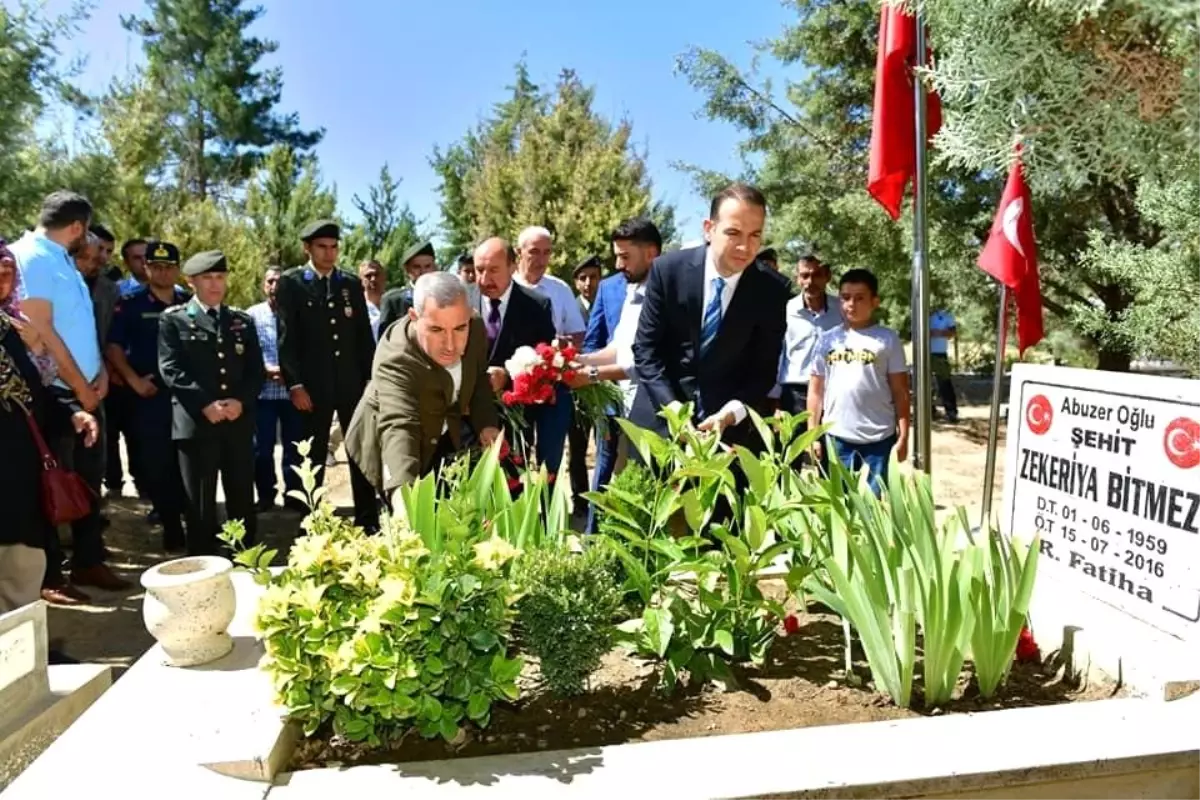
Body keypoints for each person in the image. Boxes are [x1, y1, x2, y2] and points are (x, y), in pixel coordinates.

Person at [11, 191, 129, 597]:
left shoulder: (62, 260)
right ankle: (50, 577)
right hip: (57, 392)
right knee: (52, 484)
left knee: (87, 482)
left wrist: (99, 377)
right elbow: (43, 329)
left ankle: (88, 560)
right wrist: (80, 386)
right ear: (78, 228)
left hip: (88, 389)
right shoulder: (32, 257)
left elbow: (80, 326)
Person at [630, 183, 789, 451]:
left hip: (727, 437)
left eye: (755, 235)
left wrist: (731, 413)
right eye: (733, 233)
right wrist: (674, 410)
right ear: (709, 229)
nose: (744, 246)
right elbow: (646, 351)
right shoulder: (668, 271)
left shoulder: (773, 290)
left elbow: (763, 371)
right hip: (660, 425)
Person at [0, 237, 99, 614]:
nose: (4, 272)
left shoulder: (12, 329)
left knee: (22, 573)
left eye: (7, 265)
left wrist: (72, 412)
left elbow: (32, 394)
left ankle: (26, 664)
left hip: (21, 480)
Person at [346, 272, 500, 509]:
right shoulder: (395, 357)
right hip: (393, 442)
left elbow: (477, 378)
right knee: (406, 516)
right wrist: (403, 498)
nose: (450, 344)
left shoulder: (476, 327)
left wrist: (486, 423)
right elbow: (399, 425)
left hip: (446, 432)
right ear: (414, 317)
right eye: (436, 330)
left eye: (460, 328)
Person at [275, 220, 379, 530]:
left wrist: (368, 379)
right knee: (312, 456)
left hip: (350, 384)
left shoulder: (348, 283)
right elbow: (287, 339)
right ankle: (311, 519)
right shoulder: (292, 283)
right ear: (307, 248)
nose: (329, 253)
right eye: (322, 247)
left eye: (334, 247)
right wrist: (295, 383)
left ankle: (367, 518)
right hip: (313, 387)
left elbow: (362, 336)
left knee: (360, 450)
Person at [158, 251, 263, 555]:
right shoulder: (174, 320)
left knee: (242, 497)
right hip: (196, 424)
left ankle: (245, 559)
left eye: (220, 277)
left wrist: (240, 401)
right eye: (207, 278)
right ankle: (202, 564)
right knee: (200, 504)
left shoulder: (241, 321)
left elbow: (255, 371)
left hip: (237, 422)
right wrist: (205, 404)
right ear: (191, 282)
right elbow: (171, 368)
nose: (215, 285)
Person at [576, 217, 662, 532]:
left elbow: (646, 363)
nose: (618, 264)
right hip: (623, 405)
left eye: (625, 256)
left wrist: (593, 375)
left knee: (643, 490)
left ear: (651, 253)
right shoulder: (632, 291)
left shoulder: (666, 295)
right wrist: (576, 359)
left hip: (653, 411)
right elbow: (619, 348)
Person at [107, 240, 192, 550]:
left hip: (186, 396)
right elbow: (114, 347)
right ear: (146, 268)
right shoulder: (130, 303)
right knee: (157, 463)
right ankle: (171, 525)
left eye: (169, 267)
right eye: (156, 267)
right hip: (149, 396)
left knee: (188, 460)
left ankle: (191, 518)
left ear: (178, 269)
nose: (163, 272)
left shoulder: (189, 302)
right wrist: (133, 381)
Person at [807, 268, 911, 494]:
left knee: (873, 510)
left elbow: (900, 391)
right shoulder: (828, 340)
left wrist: (903, 435)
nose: (851, 304)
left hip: (879, 441)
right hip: (837, 440)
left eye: (859, 298)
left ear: (875, 301)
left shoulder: (887, 339)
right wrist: (812, 434)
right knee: (838, 509)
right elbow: (816, 391)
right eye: (845, 298)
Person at [474, 237, 563, 471]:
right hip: (468, 422)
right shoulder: (462, 300)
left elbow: (544, 364)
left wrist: (508, 377)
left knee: (512, 491)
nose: (484, 279)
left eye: (493, 270)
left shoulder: (537, 305)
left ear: (513, 266)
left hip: (515, 421)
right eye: (479, 270)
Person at [247, 267, 303, 512]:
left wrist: (291, 374)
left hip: (292, 394)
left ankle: (293, 495)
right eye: (270, 281)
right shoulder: (251, 316)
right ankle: (266, 495)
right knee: (262, 449)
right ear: (263, 285)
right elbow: (246, 354)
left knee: (294, 447)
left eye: (279, 282)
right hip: (262, 394)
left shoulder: (296, 313)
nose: (274, 286)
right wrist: (265, 371)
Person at [778, 252, 842, 417]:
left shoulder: (842, 310)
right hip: (795, 394)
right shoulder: (786, 310)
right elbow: (779, 354)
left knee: (831, 443)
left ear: (827, 276)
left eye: (817, 275)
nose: (810, 282)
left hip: (834, 392)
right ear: (797, 278)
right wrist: (775, 400)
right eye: (805, 276)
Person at [566, 254, 603, 502]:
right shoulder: (571, 308)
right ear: (576, 283)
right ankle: (580, 499)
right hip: (576, 390)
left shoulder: (609, 304)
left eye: (593, 277)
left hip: (602, 386)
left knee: (603, 447)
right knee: (577, 448)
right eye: (582, 278)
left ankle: (601, 499)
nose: (588, 283)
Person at [377, 240, 438, 335]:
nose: (423, 272)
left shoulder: (443, 297)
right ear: (407, 269)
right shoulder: (393, 300)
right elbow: (384, 340)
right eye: (417, 267)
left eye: (427, 266)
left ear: (434, 267)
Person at [930, 307, 959, 423]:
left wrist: (940, 333)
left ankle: (951, 412)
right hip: (923, 353)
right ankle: (930, 411)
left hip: (939, 354)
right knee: (924, 384)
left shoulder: (946, 315)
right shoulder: (920, 312)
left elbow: (953, 332)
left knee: (944, 383)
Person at [359, 260, 384, 340]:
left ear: (384, 277)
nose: (373, 279)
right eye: (368, 276)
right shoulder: (358, 307)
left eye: (376, 274)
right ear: (361, 280)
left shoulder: (393, 304)